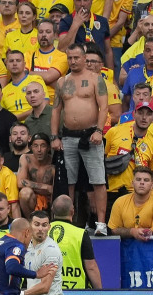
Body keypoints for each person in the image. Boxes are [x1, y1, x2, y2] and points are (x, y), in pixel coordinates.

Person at [51, 44, 108, 235]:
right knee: (69, 181)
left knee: (98, 179)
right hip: (68, 135)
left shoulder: (95, 79)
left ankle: (101, 224)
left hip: (90, 135)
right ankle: (69, 220)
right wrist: (54, 136)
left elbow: (104, 107)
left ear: (84, 59)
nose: (73, 61)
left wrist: (99, 131)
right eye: (70, 58)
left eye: (76, 57)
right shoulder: (61, 82)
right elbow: (56, 110)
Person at [104, 101, 153, 208]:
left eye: (148, 114)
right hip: (110, 191)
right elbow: (99, 160)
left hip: (136, 195)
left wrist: (148, 196)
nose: (144, 117)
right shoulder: (115, 132)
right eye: (140, 113)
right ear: (134, 114)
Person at [49, 194, 102, 289]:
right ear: (72, 211)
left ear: (52, 210)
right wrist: (100, 293)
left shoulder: (39, 232)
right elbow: (91, 267)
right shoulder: (80, 234)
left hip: (45, 290)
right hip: (76, 292)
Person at [108, 166, 153, 239]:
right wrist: (132, 231)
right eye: (138, 179)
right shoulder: (120, 202)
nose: (142, 182)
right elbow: (114, 229)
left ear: (151, 185)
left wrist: (138, 232)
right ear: (132, 183)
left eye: (146, 180)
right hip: (127, 247)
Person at [58, 0, 113, 69]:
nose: (82, 4)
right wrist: (75, 25)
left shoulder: (102, 21)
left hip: (98, 70)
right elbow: (62, 49)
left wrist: (112, 75)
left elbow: (108, 51)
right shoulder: (66, 21)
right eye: (78, 1)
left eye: (85, 0)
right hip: (76, 71)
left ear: (91, 1)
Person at [1, 50, 48, 121]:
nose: (14, 63)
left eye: (18, 60)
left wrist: (15, 118)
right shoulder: (4, 91)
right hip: (13, 129)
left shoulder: (35, 79)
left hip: (35, 123)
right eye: (11, 61)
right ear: (6, 65)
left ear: (24, 64)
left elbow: (44, 104)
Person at [29, 18, 68, 104]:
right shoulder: (27, 55)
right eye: (41, 32)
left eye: (48, 32)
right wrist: (53, 82)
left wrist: (30, 73)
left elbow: (48, 77)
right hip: (30, 104)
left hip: (53, 105)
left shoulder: (62, 56)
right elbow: (22, 77)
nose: (44, 35)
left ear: (55, 35)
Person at [17, 133, 54, 216]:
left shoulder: (53, 162)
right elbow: (20, 182)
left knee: (56, 194)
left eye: (43, 146)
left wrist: (50, 189)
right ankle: (30, 221)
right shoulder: (25, 158)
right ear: (31, 148)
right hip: (32, 198)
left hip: (49, 200)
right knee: (25, 192)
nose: (39, 149)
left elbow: (54, 189)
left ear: (48, 148)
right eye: (35, 146)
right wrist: (46, 187)